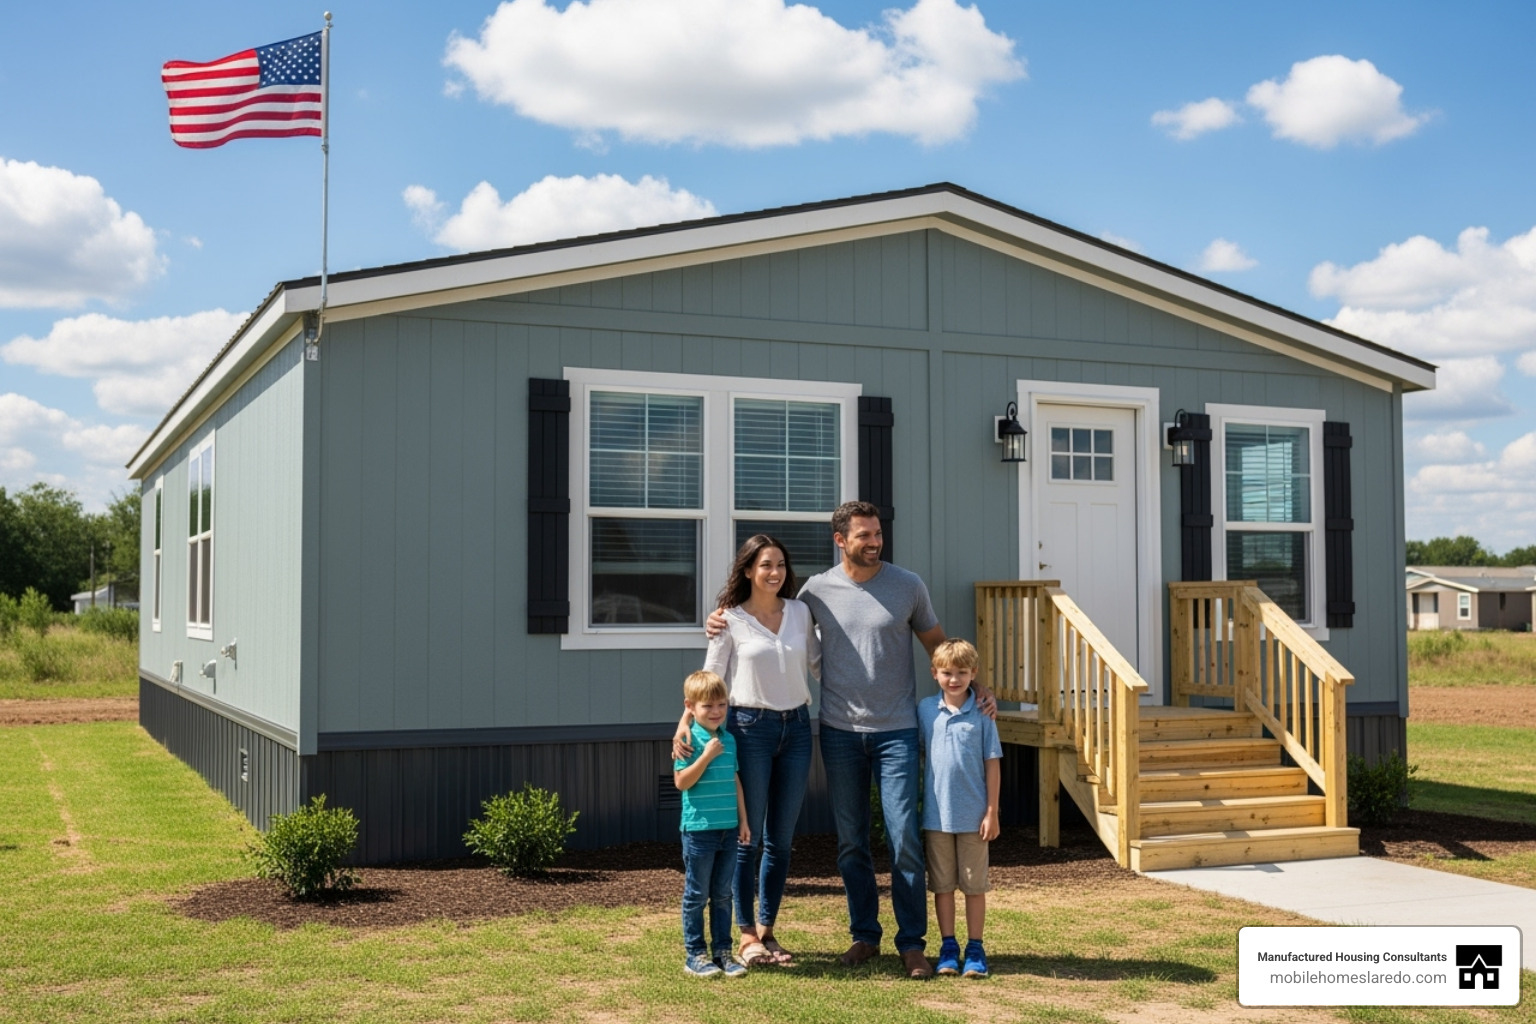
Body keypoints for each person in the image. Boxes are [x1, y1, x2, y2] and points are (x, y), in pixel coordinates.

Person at [697, 501, 995, 979]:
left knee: (902, 839)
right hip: (837, 731)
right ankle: (865, 935)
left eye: (877, 534)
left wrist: (979, 687)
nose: (874, 542)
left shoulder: (908, 585)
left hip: (896, 730)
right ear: (841, 540)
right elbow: (769, 615)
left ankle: (912, 942)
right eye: (864, 535)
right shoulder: (815, 592)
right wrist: (720, 617)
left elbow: (939, 647)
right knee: (851, 842)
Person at [686, 535, 819, 967]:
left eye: (780, 564)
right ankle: (745, 936)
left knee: (781, 840)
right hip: (749, 728)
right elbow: (709, 679)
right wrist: (684, 722)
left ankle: (767, 930)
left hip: (798, 727)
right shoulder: (729, 620)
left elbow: (820, 665)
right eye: (765, 565)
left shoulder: (801, 613)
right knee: (750, 836)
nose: (774, 572)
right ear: (748, 570)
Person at [918, 639, 1002, 979]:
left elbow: (992, 763)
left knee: (974, 885)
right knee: (942, 885)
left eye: (962, 673)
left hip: (973, 817)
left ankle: (976, 948)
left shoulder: (983, 714)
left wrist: (992, 811)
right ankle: (949, 947)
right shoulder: (924, 710)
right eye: (947, 673)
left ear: (974, 674)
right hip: (936, 818)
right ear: (935, 673)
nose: (954, 679)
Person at [673, 670, 752, 978]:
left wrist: (743, 820)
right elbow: (682, 782)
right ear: (690, 706)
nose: (716, 711)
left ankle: (723, 953)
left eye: (721, 704)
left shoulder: (729, 739)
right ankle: (695, 955)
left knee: (722, 893)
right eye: (708, 706)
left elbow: (735, 781)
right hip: (699, 832)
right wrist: (705, 756)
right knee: (696, 894)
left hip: (728, 828)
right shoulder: (687, 738)